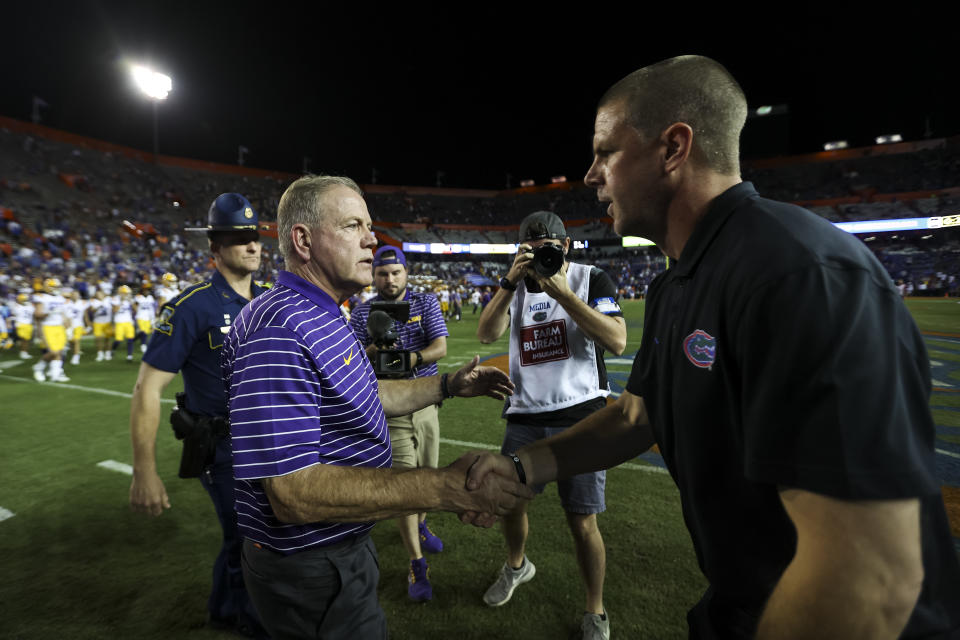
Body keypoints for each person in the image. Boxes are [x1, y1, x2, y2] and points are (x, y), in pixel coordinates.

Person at [465, 55, 960, 639]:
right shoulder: (682, 280)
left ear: (673, 149)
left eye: (606, 151)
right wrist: (524, 466)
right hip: (740, 603)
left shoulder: (800, 275)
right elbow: (635, 415)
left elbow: (868, 576)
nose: (590, 174)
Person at [221, 174, 531, 639]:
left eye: (369, 226)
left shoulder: (324, 311)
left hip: (340, 545)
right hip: (310, 564)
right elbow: (292, 492)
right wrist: (448, 488)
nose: (372, 240)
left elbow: (368, 392)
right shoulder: (279, 328)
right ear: (303, 241)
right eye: (352, 226)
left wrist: (448, 385)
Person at [476, 210, 626, 640]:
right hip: (525, 412)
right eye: (531, 247)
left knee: (583, 521)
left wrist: (562, 293)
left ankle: (595, 609)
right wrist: (509, 282)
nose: (541, 253)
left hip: (580, 412)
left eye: (548, 246)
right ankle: (516, 566)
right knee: (511, 504)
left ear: (564, 246)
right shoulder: (516, 286)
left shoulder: (589, 277)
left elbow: (616, 340)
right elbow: (487, 334)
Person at [128, 192, 269, 638]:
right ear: (215, 248)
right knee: (251, 541)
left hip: (269, 442)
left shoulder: (270, 301)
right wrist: (144, 471)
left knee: (249, 539)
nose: (251, 246)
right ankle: (251, 623)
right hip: (223, 447)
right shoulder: (190, 307)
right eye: (237, 238)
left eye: (255, 236)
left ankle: (225, 610)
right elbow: (147, 388)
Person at [349, 245, 449, 601]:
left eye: (395, 273)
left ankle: (420, 524)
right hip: (388, 406)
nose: (389, 280)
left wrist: (412, 356)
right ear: (373, 275)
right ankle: (416, 564)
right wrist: (377, 348)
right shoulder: (361, 313)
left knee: (428, 475)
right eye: (382, 274)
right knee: (406, 484)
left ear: (406, 273)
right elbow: (352, 360)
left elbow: (440, 346)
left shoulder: (425, 303)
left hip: (425, 401)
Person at [31, 277, 69, 382]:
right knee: (53, 352)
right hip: (47, 326)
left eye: (58, 287)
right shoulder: (42, 297)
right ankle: (39, 367)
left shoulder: (60, 298)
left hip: (59, 326)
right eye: (54, 287)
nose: (57, 288)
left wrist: (67, 325)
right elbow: (37, 315)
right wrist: (49, 313)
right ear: (48, 287)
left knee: (59, 351)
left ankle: (55, 374)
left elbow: (63, 314)